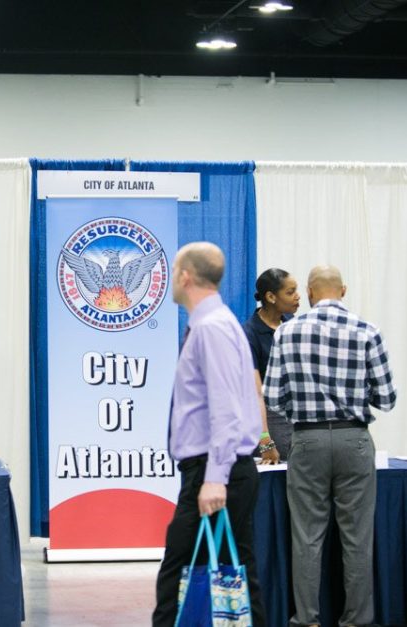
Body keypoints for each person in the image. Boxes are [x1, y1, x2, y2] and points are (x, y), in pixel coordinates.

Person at [264, 265, 396, 627]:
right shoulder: (368, 331)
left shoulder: (287, 332)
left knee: (306, 537)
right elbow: (386, 399)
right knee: (357, 539)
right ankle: (356, 621)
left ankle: (306, 620)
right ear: (344, 290)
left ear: (308, 292)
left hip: (306, 440)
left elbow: (272, 398)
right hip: (354, 439)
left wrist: (303, 406)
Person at [152, 242, 267, 627]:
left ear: (185, 276)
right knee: (231, 571)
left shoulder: (212, 328)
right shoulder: (215, 323)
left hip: (217, 470)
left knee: (181, 570)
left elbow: (226, 407)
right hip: (219, 468)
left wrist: (214, 478)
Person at [243, 267, 300, 460]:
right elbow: (253, 394)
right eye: (290, 292)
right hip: (269, 420)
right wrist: (264, 438)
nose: (298, 297)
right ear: (271, 297)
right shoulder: (249, 334)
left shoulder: (293, 325)